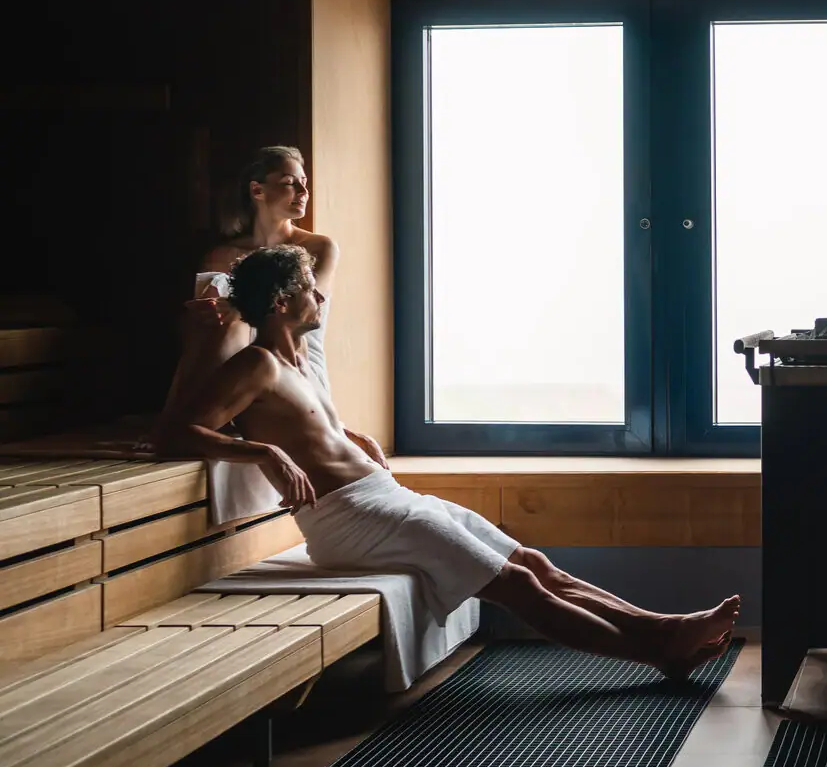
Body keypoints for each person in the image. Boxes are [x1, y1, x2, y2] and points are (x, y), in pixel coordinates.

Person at [160, 244, 738, 677]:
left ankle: (666, 629)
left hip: (384, 499)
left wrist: (346, 435)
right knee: (513, 583)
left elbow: (311, 426)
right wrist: (262, 451)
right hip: (348, 520)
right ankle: (657, 653)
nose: (322, 296)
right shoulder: (256, 364)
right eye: (312, 288)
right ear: (283, 301)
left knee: (532, 561)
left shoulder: (301, 363)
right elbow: (176, 433)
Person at [163, 146, 337, 418]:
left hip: (292, 353)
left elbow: (305, 308)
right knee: (207, 319)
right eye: (290, 184)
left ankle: (181, 421)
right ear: (257, 191)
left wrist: (237, 309)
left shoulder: (318, 248)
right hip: (226, 355)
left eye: (304, 184)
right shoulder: (221, 256)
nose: (304, 193)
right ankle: (173, 417)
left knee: (235, 317)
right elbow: (195, 335)